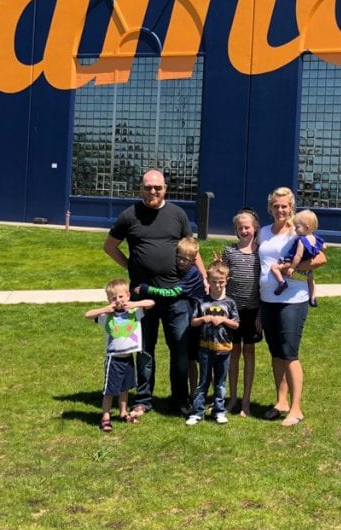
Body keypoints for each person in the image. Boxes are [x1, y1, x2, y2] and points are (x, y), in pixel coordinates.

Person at [103, 169, 206, 417]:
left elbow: (192, 250)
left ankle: (180, 399)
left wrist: (203, 277)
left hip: (176, 298)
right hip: (141, 299)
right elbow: (110, 246)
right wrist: (132, 266)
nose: (153, 192)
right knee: (145, 351)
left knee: (179, 351)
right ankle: (144, 399)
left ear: (165, 188)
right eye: (148, 187)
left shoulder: (177, 214)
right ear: (141, 189)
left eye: (157, 188)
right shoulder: (129, 216)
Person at [258, 187, 326, 427]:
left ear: (291, 208)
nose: (280, 210)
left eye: (284, 206)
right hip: (267, 300)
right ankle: (281, 402)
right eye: (276, 206)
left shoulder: (300, 231)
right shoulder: (263, 232)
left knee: (289, 353)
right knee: (276, 353)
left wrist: (292, 269)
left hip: (292, 300)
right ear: (270, 208)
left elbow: (321, 258)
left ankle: (296, 408)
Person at [134, 236, 207, 405]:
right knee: (189, 359)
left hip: (194, 321)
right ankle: (192, 395)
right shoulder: (183, 270)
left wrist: (147, 288)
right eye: (179, 257)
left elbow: (172, 293)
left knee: (194, 358)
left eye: (186, 259)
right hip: (189, 318)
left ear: (194, 259)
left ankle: (198, 396)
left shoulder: (192, 274)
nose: (181, 262)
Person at [84, 279, 156, 432]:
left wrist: (134, 304)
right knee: (110, 390)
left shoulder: (134, 313)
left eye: (121, 297)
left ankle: (123, 413)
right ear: (109, 300)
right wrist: (106, 308)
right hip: (114, 359)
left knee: (125, 389)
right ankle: (106, 417)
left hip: (128, 358)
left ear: (128, 296)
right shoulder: (106, 316)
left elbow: (151, 303)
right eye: (114, 298)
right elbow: (88, 314)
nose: (118, 301)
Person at [186, 260, 240, 426]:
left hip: (224, 349)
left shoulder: (230, 303)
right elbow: (193, 321)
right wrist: (204, 318)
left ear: (226, 281)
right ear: (208, 281)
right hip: (205, 348)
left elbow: (236, 324)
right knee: (203, 382)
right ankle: (197, 412)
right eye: (214, 282)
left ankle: (219, 411)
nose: (217, 285)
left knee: (220, 383)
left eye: (221, 282)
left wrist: (224, 320)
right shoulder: (202, 301)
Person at [221, 209, 262, 417]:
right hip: (232, 313)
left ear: (255, 228)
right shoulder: (229, 252)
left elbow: (264, 285)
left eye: (248, 227)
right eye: (240, 228)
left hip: (253, 313)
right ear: (236, 230)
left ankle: (246, 400)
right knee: (233, 354)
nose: (244, 230)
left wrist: (260, 316)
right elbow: (222, 283)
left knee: (249, 353)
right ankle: (233, 398)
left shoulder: (261, 252)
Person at [269, 208, 325, 307]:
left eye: (297, 227)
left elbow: (298, 255)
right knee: (310, 279)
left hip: (292, 262)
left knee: (274, 267)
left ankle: (282, 282)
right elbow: (324, 247)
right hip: (308, 264)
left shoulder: (302, 240)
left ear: (306, 228)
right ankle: (313, 297)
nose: (295, 229)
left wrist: (292, 267)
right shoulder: (316, 238)